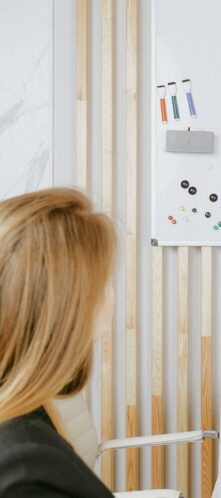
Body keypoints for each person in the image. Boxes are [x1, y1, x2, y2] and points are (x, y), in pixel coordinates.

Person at [0, 188, 116, 497]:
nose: (110, 297)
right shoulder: (26, 476)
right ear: (67, 309)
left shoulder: (29, 411)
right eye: (103, 284)